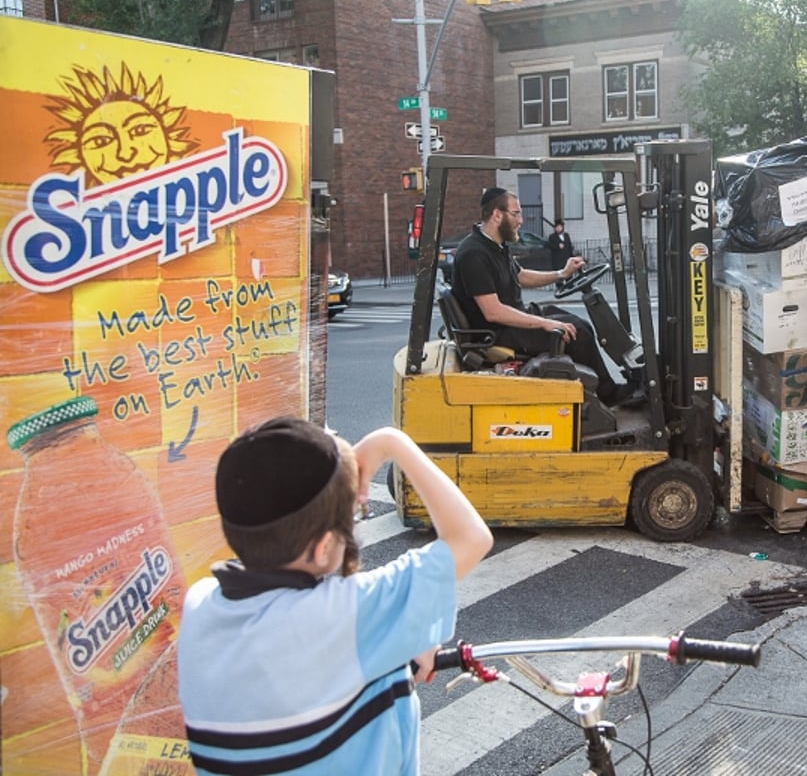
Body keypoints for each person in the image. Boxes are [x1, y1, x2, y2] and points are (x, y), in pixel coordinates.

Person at [177, 417, 493, 776]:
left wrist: (396, 635)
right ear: (324, 545)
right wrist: (391, 442)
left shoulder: (200, 606)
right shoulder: (347, 616)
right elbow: (470, 537)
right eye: (354, 515)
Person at [451, 187, 641, 407]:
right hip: (497, 333)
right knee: (576, 333)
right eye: (516, 214)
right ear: (497, 214)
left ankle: (594, 393)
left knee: (581, 325)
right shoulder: (474, 253)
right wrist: (545, 323)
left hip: (511, 321)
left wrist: (561, 273)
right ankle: (608, 394)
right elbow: (492, 312)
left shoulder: (495, 246)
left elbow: (520, 276)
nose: (521, 220)